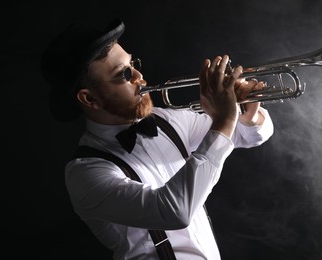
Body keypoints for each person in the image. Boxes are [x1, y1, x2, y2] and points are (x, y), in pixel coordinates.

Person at [41, 17, 274, 260]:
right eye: (124, 73)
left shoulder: (166, 120)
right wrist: (224, 118)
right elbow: (174, 211)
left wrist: (247, 110)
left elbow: (247, 135)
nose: (140, 77)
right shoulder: (85, 174)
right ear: (90, 99)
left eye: (133, 64)